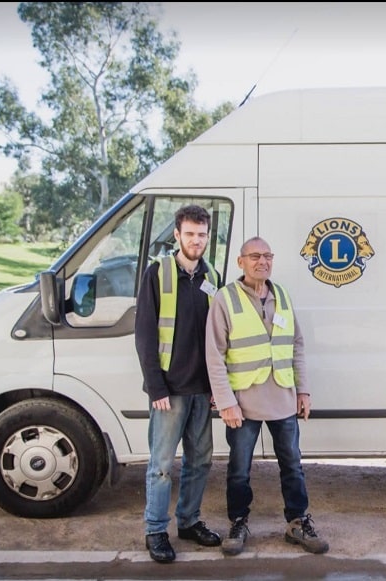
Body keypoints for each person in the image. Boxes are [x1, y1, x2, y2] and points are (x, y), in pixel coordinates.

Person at [205, 236, 329, 556]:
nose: (263, 261)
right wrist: (226, 401)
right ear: (241, 262)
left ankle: (297, 522)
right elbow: (214, 355)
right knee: (239, 467)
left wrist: (303, 390)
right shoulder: (225, 299)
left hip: (283, 399)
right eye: (255, 256)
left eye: (268, 256)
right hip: (243, 403)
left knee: (292, 465)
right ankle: (238, 522)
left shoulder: (282, 295)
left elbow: (296, 345)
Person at [134, 204, 223, 563]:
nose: (196, 241)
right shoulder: (158, 273)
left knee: (200, 462)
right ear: (177, 235)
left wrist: (219, 388)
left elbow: (219, 336)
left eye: (202, 235)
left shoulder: (212, 275)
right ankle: (156, 530)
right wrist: (155, 387)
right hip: (169, 392)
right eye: (190, 234)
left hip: (203, 389)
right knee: (160, 465)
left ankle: (188, 522)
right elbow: (144, 334)